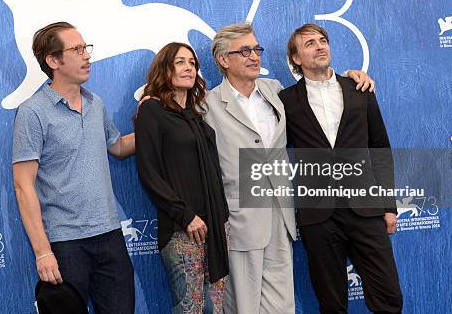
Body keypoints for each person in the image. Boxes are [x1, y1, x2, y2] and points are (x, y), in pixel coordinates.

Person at [204, 22, 373, 314]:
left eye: (256, 49)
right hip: (241, 220)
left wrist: (351, 77)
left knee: (282, 306)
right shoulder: (207, 105)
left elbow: (321, 89)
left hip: (281, 219)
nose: (254, 56)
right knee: (242, 307)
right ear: (223, 60)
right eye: (244, 51)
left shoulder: (276, 92)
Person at [12, 21, 136, 314]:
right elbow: (23, 185)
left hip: (110, 236)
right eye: (77, 49)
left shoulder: (96, 104)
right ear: (53, 60)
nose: (86, 55)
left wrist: (159, 123)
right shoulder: (32, 112)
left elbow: (118, 147)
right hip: (65, 244)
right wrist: (43, 253)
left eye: (85, 47)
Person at [278, 23, 403, 313]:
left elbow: (380, 149)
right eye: (309, 44)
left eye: (323, 41)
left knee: (389, 297)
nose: (320, 46)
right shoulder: (285, 101)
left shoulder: (360, 89)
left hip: (367, 209)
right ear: (296, 58)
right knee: (331, 303)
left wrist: (389, 205)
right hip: (318, 217)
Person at [135, 42, 230, 313]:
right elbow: (149, 173)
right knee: (190, 307)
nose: (189, 67)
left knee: (216, 307)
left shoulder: (196, 114)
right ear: (165, 69)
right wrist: (185, 215)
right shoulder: (152, 111)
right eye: (180, 62)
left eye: (192, 62)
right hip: (183, 229)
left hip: (216, 225)